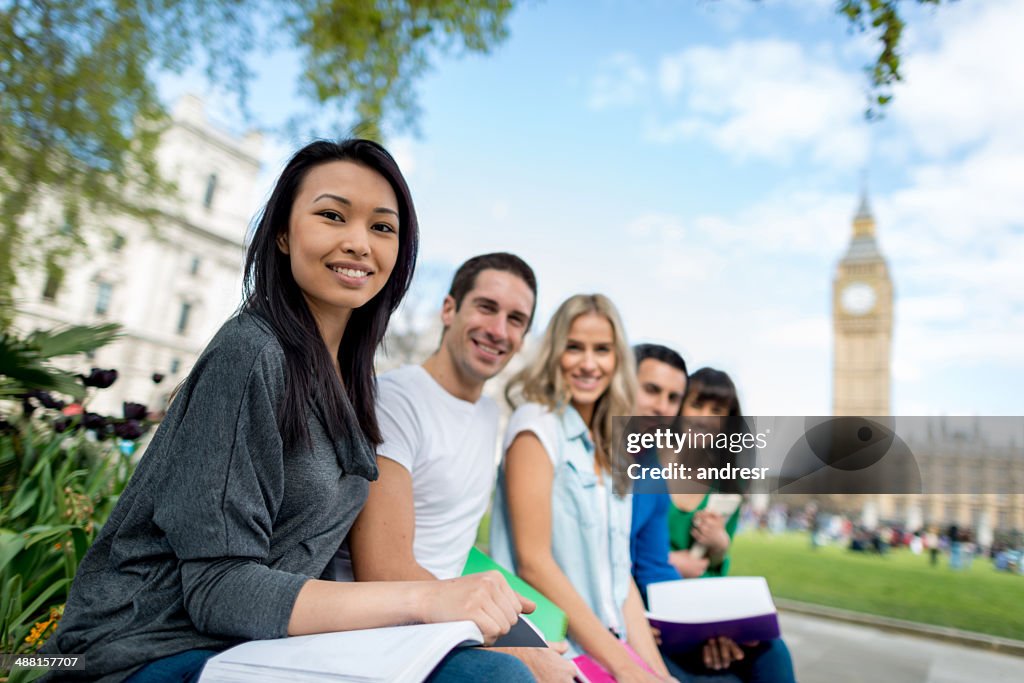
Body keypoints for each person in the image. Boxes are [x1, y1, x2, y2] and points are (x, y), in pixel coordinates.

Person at [42, 140, 534, 683]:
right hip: (143, 650)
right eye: (331, 215)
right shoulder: (251, 352)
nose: (358, 243)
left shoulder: (347, 378)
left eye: (382, 227)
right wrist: (429, 600)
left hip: (255, 643)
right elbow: (218, 589)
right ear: (282, 232)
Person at [340, 252, 577, 681]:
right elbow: (383, 570)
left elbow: (447, 545)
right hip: (385, 627)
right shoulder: (395, 400)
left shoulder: (488, 414)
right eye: (486, 307)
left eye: (516, 319)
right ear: (449, 309)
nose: (498, 330)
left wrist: (527, 633)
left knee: (566, 659)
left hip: (449, 621)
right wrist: (515, 646)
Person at [489, 294, 679, 682]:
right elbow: (534, 563)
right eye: (575, 347)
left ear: (617, 359)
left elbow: (618, 577)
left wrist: (657, 673)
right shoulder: (536, 425)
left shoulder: (613, 446)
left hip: (609, 648)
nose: (589, 363)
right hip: (557, 648)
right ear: (556, 352)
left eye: (602, 350)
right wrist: (625, 668)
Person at [653, 366, 796, 682]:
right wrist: (672, 561)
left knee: (773, 650)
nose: (704, 417)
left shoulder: (727, 484)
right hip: (654, 604)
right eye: (696, 405)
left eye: (717, 410)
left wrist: (720, 546)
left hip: (700, 606)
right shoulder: (649, 466)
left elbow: (714, 569)